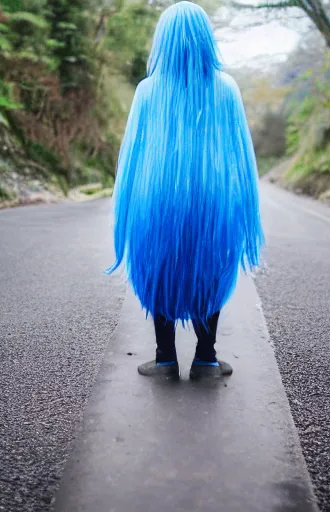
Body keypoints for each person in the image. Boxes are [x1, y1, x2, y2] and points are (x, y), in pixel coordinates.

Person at [106, 1, 264, 379]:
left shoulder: (147, 91)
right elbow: (241, 155)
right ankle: (206, 357)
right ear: (206, 40)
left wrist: (127, 210)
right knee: (208, 266)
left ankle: (164, 358)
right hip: (212, 196)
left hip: (156, 195)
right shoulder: (226, 89)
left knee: (159, 266)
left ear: (163, 41)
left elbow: (132, 157)